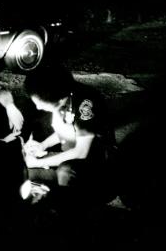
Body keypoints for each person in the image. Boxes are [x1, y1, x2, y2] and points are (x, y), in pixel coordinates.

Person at [21, 65, 117, 207]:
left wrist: (38, 163)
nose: (38, 108)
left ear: (60, 100)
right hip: (71, 151)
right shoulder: (62, 93)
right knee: (26, 172)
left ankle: (70, 211)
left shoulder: (86, 104)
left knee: (64, 173)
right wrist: (42, 145)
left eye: (40, 104)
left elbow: (81, 152)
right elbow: (63, 130)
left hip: (96, 161)